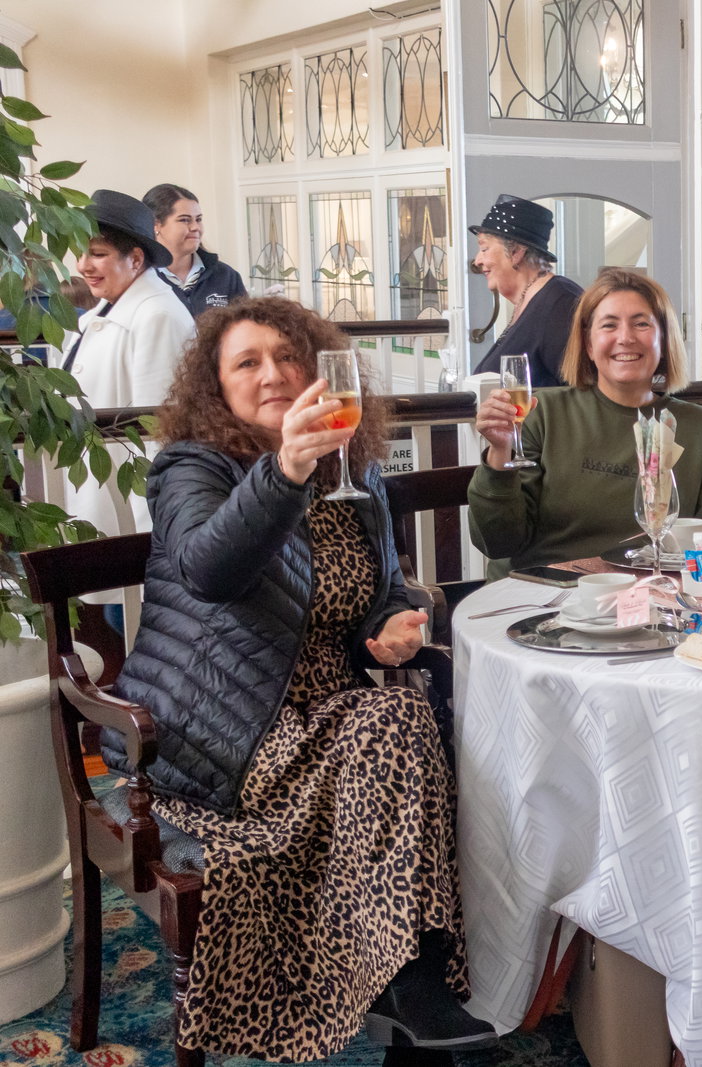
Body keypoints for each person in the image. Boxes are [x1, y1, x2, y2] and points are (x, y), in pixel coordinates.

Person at [107, 298, 496, 1062]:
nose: (273, 373)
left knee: (410, 728)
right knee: (396, 730)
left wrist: (392, 622)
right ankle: (412, 985)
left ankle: (412, 1000)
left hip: (334, 716)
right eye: (247, 362)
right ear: (215, 385)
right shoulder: (191, 468)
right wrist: (285, 469)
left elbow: (381, 588)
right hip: (226, 730)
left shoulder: (357, 470)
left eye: (288, 356)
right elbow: (209, 570)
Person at [468, 267, 702, 578]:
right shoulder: (541, 413)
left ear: (664, 339)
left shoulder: (701, 427)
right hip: (545, 593)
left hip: (656, 596)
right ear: (589, 344)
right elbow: (498, 543)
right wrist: (499, 453)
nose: (626, 338)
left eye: (641, 324)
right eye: (609, 325)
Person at [62, 189, 196, 631]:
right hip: (104, 496)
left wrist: (152, 535)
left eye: (98, 254)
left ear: (135, 259)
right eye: (82, 253)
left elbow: (160, 433)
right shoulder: (105, 311)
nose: (84, 265)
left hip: (136, 508)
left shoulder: (157, 315)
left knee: (138, 623)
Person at [467, 194, 583, 383]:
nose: (477, 260)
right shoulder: (530, 299)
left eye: (484, 249)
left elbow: (578, 389)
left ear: (516, 252)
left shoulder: (561, 305)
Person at [142, 183, 248, 317]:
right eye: (184, 220)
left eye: (198, 219)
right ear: (156, 225)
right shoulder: (141, 279)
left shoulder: (226, 276)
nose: (195, 227)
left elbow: (247, 325)